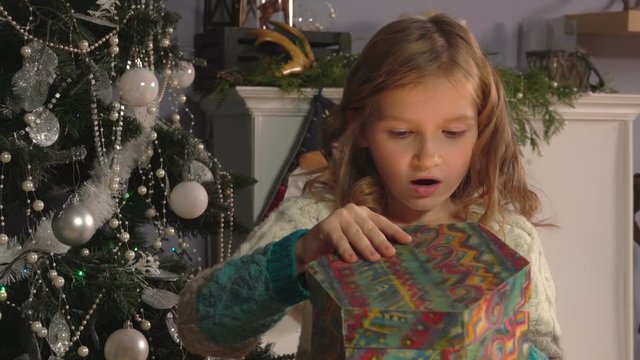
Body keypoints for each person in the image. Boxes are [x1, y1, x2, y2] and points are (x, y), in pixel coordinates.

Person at [177, 13, 563, 360]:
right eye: (400, 133)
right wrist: (297, 256)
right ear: (361, 129)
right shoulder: (317, 223)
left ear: (480, 131)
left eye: (453, 132)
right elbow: (201, 329)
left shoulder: (507, 236)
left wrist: (498, 345)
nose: (428, 157)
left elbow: (547, 352)